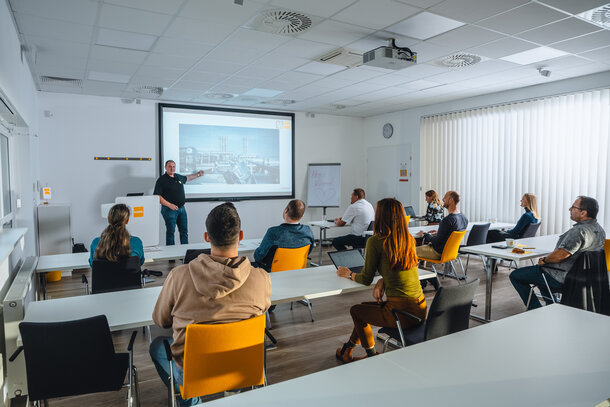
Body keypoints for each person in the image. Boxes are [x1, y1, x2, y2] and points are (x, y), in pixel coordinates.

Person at [149, 202, 271, 406]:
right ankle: (234, 393)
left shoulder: (179, 276)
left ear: (206, 237)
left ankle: (191, 400)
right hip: (241, 367)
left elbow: (161, 320)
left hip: (194, 373)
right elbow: (264, 311)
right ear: (241, 236)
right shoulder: (261, 278)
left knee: (157, 347)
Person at [335, 198, 426, 362]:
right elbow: (398, 268)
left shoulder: (375, 241)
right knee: (362, 309)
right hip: (420, 309)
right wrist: (382, 281)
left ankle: (371, 356)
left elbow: (365, 278)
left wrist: (348, 273)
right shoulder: (409, 240)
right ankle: (346, 350)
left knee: (356, 311)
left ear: (381, 216)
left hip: (401, 313)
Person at [509, 196, 605, 310]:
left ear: (583, 212)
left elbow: (561, 255)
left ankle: (535, 309)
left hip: (561, 277)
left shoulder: (579, 231)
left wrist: (545, 260)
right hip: (583, 279)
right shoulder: (599, 230)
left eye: (573, 207)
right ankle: (552, 309)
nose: (570, 209)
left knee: (515, 275)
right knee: (541, 278)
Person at [253, 199, 314, 271]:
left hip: (273, 273)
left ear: (286, 210)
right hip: (298, 271)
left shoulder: (273, 232)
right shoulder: (307, 231)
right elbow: (308, 252)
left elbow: (258, 257)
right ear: (302, 216)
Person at [153, 160, 204, 246]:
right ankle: (171, 258)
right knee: (170, 233)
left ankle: (184, 254)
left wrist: (198, 174)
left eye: (173, 166)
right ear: (165, 167)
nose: (172, 168)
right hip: (169, 210)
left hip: (181, 209)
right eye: (169, 166)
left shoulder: (177, 177)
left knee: (184, 232)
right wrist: (170, 205)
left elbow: (188, 178)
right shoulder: (161, 180)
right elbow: (157, 196)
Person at [415, 190, 468, 260]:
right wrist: (439, 232)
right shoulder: (464, 218)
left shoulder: (447, 220)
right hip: (451, 252)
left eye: (445, 198)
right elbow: (451, 234)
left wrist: (425, 234)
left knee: (409, 251)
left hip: (438, 252)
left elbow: (436, 241)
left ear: (451, 200)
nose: (442, 199)